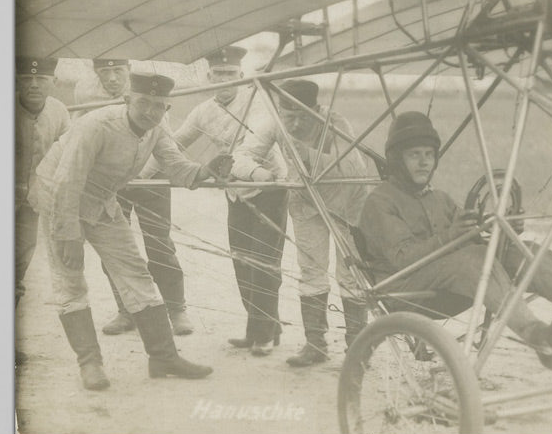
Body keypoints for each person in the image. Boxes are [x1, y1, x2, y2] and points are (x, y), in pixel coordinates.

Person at [357, 111, 552, 369]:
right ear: (397, 159)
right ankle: (537, 335)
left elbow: (472, 235)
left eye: (428, 154)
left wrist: (502, 228)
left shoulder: (439, 199)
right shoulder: (380, 202)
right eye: (414, 155)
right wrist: (453, 235)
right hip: (404, 289)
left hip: (448, 283)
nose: (424, 163)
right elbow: (403, 260)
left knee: (521, 252)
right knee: (473, 261)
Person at [31, 72, 228, 390]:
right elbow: (67, 178)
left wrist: (206, 169)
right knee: (71, 282)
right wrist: (68, 233)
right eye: (144, 103)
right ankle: (90, 365)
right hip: (59, 197)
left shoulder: (156, 128)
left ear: (166, 108)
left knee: (136, 273)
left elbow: (175, 165)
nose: (150, 111)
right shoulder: (97, 125)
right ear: (127, 101)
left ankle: (163, 357)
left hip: (102, 200)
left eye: (158, 106)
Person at [233, 79, 370, 367]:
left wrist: (305, 153)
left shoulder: (335, 122)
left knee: (351, 274)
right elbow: (240, 156)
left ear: (316, 109)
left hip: (347, 202)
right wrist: (257, 173)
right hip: (306, 203)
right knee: (311, 270)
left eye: (302, 117)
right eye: (288, 117)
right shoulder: (275, 122)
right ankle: (315, 344)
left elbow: (353, 167)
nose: (294, 125)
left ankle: (357, 349)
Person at [173, 46, 289, 357]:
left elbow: (259, 149)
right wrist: (140, 163)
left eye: (231, 75)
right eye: (218, 74)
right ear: (209, 76)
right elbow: (175, 144)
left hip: (269, 187)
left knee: (264, 261)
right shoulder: (203, 111)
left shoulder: (257, 103)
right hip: (236, 191)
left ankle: (264, 332)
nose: (224, 80)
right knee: (241, 259)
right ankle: (260, 329)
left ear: (241, 77)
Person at [74, 58, 194, 335]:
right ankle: (125, 310)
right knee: (114, 249)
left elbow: (167, 145)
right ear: (96, 74)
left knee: (160, 245)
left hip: (151, 180)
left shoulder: (150, 97)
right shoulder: (87, 101)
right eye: (105, 72)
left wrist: (141, 171)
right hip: (112, 187)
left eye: (118, 71)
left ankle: (176, 309)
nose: (113, 78)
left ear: (128, 72)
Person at [16, 55, 70, 305]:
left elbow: (66, 155)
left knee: (21, 255)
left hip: (33, 199)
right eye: (27, 78)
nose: (34, 84)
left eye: (41, 79)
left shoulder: (59, 112)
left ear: (54, 81)